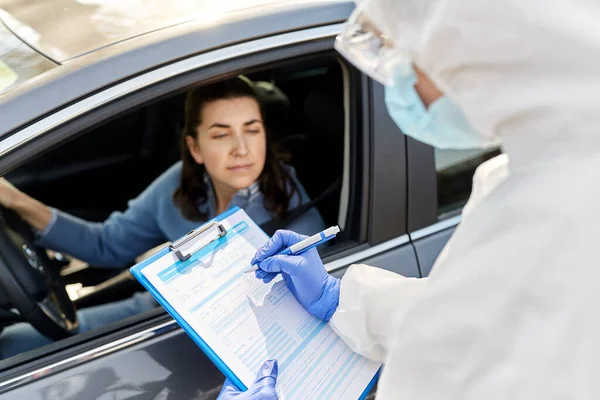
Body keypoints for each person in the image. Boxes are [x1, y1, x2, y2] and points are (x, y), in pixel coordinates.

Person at [222, 0, 600, 398]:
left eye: (404, 53)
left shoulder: (571, 221)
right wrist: (340, 299)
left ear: (466, 54)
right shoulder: (525, 177)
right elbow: (459, 320)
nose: (397, 77)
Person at [0, 76, 325, 358]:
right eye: (221, 134)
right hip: (156, 310)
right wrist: (15, 201)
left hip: (204, 346)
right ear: (195, 148)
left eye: (251, 130)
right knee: (13, 340)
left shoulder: (297, 226)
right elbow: (105, 244)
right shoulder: (181, 186)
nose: (242, 149)